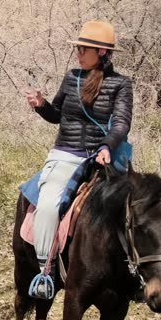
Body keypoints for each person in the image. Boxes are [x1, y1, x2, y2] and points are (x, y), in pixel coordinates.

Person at [24, 20, 133, 298]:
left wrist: (108, 146)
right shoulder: (71, 77)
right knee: (48, 206)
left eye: (85, 49)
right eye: (79, 48)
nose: (79, 53)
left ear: (103, 53)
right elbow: (57, 115)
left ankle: (136, 276)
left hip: (102, 158)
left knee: (140, 209)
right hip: (66, 155)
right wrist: (41, 105)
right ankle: (44, 273)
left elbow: (121, 123)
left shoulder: (121, 84)